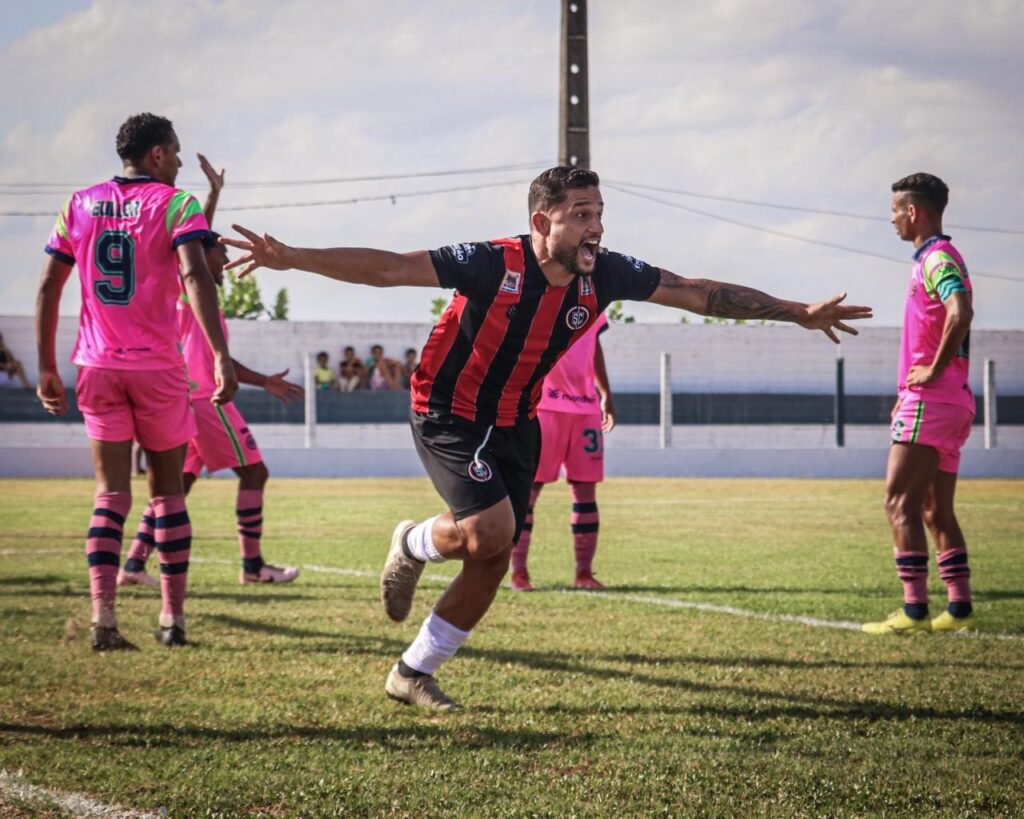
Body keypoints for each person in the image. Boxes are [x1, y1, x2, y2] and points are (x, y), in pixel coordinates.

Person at [224, 165, 871, 709]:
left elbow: (696, 293)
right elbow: (392, 269)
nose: (596, 227)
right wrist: (294, 257)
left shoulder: (605, 274)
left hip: (516, 420)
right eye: (581, 215)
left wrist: (797, 312)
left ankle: (412, 668)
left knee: (492, 555)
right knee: (491, 532)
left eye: (600, 214)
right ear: (542, 222)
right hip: (448, 411)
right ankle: (416, 543)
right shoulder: (491, 262)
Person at [35, 112, 236, 650]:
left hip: (97, 366)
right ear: (157, 154)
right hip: (157, 369)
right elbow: (194, 273)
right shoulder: (175, 204)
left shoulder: (78, 203)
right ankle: (172, 621)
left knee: (110, 494)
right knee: (168, 494)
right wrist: (220, 354)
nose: (178, 163)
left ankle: (103, 621)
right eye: (175, 153)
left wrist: (48, 366)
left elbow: (49, 287)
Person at [120, 156, 302, 589]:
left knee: (178, 483)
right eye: (222, 251)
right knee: (255, 473)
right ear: (205, 257)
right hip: (206, 400)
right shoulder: (190, 289)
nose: (226, 257)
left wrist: (263, 380)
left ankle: (132, 567)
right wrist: (212, 198)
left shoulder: (200, 302)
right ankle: (253, 567)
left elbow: (219, 358)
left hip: (189, 399)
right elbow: (195, 240)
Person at [863, 173, 975, 636]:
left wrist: (929, 372)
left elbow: (960, 312)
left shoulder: (936, 258)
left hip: (933, 398)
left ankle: (913, 612)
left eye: (895, 210)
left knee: (898, 502)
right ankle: (960, 608)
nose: (891, 219)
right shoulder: (936, 258)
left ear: (913, 212)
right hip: (952, 402)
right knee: (934, 509)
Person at [510, 311, 614, 591]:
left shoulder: (596, 301)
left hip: (586, 410)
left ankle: (584, 573)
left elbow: (594, 347)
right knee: (529, 490)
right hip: (545, 407)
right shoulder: (542, 297)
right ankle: (519, 572)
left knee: (585, 491)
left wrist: (605, 393)